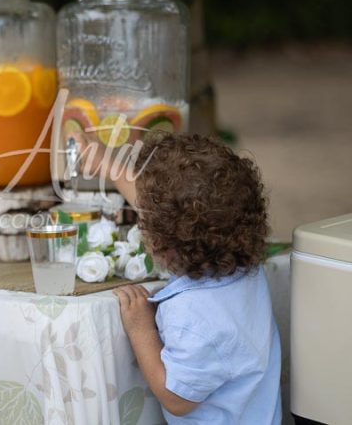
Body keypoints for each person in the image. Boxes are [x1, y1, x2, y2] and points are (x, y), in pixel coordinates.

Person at [79, 132, 281, 423]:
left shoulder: (192, 317)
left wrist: (141, 329)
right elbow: (170, 213)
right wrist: (107, 164)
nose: (141, 218)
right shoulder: (243, 266)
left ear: (163, 245)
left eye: (144, 220)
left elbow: (176, 399)